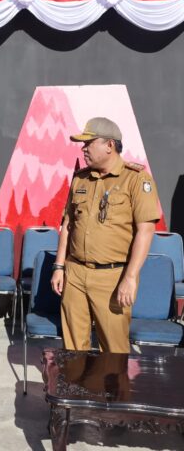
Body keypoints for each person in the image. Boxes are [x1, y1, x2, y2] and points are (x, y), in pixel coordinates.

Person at [50, 117, 160, 353]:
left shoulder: (136, 179)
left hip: (112, 276)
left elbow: (146, 230)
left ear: (109, 145)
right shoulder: (80, 178)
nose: (83, 149)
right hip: (76, 273)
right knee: (72, 349)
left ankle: (115, 391)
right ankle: (76, 388)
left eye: (88, 143)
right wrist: (59, 266)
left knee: (114, 351)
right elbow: (68, 224)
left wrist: (130, 278)